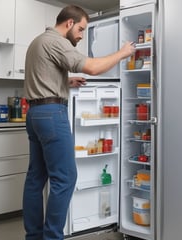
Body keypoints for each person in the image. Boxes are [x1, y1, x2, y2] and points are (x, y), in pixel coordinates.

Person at [23, 5, 135, 240]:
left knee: (36, 178)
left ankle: (33, 236)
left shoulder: (38, 41)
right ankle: (52, 236)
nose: (82, 35)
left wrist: (66, 80)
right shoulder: (57, 41)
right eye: (82, 30)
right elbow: (93, 67)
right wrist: (122, 53)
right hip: (52, 114)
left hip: (34, 114)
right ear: (70, 23)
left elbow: (44, 75)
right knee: (65, 177)